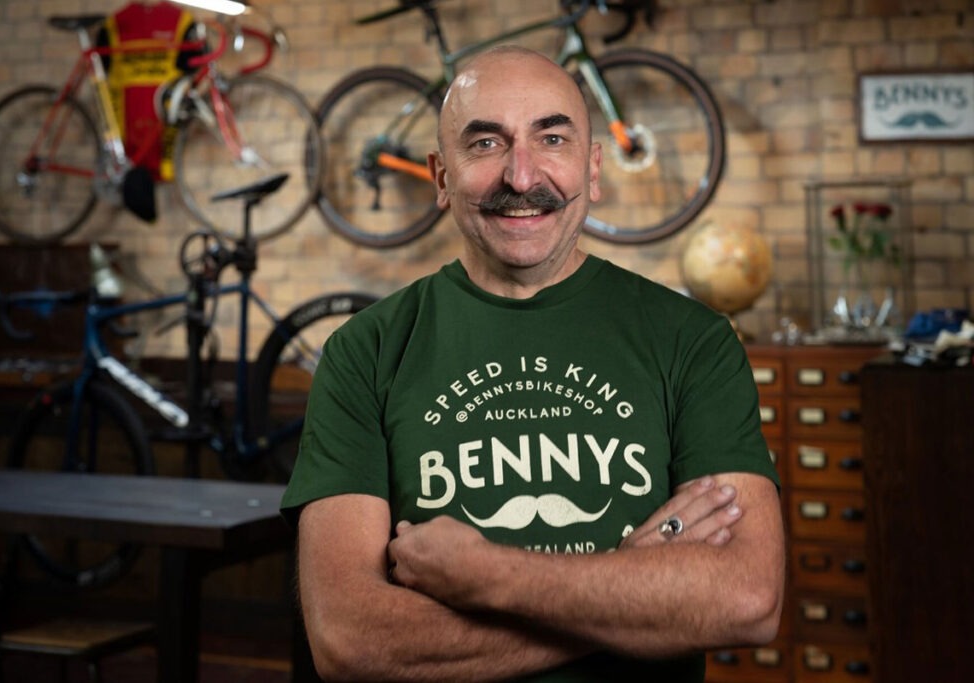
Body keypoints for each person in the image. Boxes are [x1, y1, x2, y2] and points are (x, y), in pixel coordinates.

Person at [282, 45, 785, 682]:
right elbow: (350, 639)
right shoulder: (365, 351)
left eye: (551, 138)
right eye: (486, 144)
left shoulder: (693, 340)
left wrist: (488, 575)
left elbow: (746, 599)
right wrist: (636, 588)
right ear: (440, 176)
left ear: (593, 168)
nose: (522, 178)